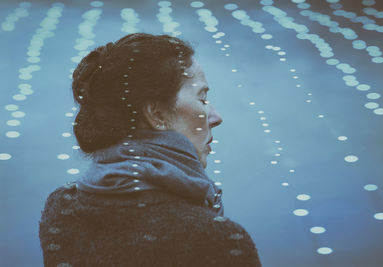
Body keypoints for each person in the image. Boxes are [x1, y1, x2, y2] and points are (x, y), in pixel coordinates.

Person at [39, 33, 262, 267]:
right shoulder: (218, 240)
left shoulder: (62, 208)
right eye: (202, 99)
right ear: (157, 114)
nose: (216, 117)